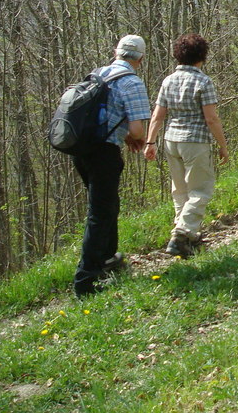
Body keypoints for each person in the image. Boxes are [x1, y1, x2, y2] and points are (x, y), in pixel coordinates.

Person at [73, 35, 150, 297]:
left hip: (81, 149)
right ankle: (85, 280)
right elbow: (139, 131)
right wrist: (132, 135)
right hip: (104, 153)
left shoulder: (98, 74)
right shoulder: (131, 82)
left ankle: (108, 258)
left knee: (107, 206)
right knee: (100, 212)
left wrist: (123, 132)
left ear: (115, 53)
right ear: (140, 59)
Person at [143, 34, 228, 258]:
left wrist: (150, 141)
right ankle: (182, 234)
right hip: (195, 141)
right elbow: (211, 118)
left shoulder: (168, 80)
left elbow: (158, 116)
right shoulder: (203, 82)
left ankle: (188, 235)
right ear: (202, 56)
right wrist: (222, 145)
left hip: (171, 141)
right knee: (201, 190)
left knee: (180, 191)